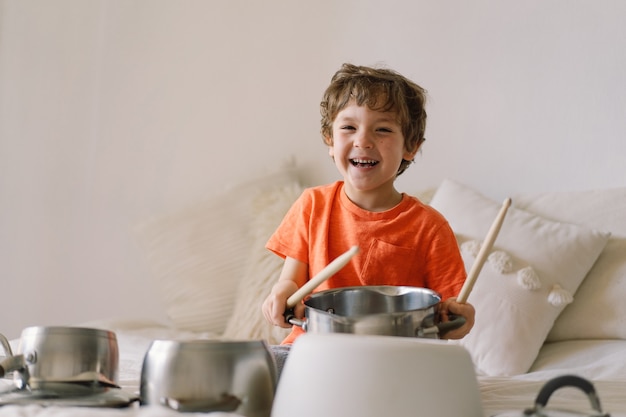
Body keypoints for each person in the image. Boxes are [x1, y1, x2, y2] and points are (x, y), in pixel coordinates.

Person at [262, 63, 475, 373]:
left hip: (394, 363)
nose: (363, 140)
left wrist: (461, 319)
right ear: (330, 140)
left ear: (411, 146)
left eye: (383, 129)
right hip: (313, 354)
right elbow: (290, 282)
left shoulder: (430, 226)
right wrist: (280, 297)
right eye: (349, 127)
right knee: (256, 368)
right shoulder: (312, 205)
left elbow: (451, 315)